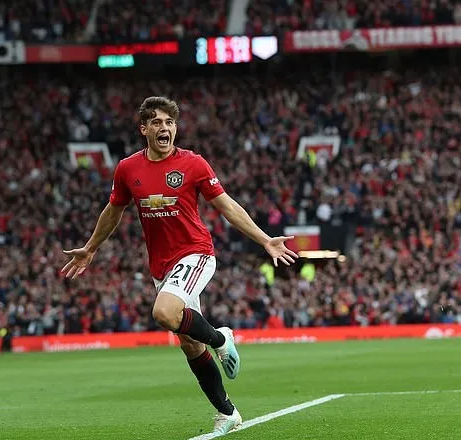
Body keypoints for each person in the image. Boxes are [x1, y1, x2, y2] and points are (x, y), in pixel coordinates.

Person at [61, 96, 298, 435]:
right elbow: (113, 211)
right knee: (188, 343)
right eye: (156, 122)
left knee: (164, 313)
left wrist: (264, 239)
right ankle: (228, 412)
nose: (165, 128)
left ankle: (221, 338)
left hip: (196, 253)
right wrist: (90, 248)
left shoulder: (193, 164)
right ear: (144, 129)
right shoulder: (128, 169)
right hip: (162, 266)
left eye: (169, 122)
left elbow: (227, 206)